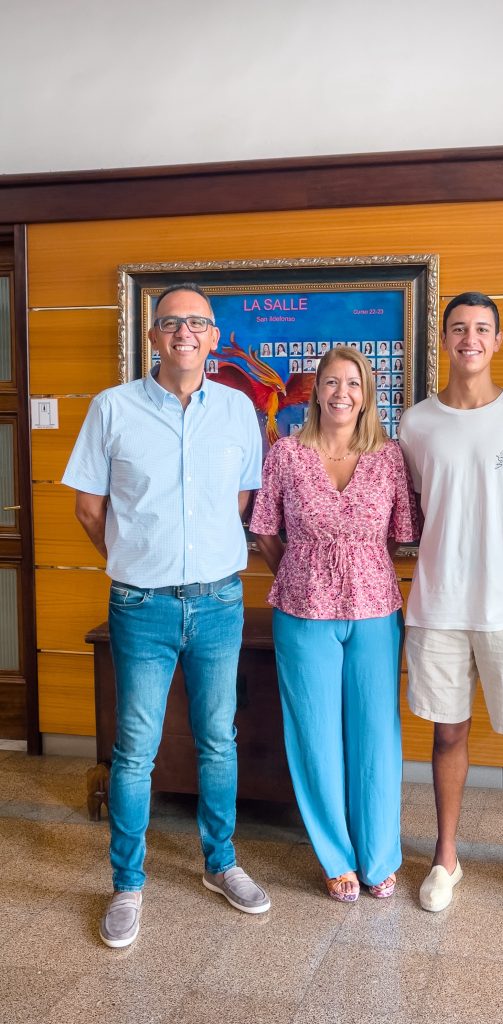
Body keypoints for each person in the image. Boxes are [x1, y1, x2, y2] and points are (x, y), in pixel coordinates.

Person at [63, 283, 270, 949]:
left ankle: (221, 863)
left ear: (214, 337)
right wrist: (134, 558)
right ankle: (127, 883)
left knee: (218, 740)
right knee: (135, 751)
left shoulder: (239, 412)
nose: (185, 331)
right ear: (152, 338)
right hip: (140, 606)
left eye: (198, 323)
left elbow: (241, 500)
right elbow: (89, 508)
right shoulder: (112, 409)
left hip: (218, 602)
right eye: (171, 322)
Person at [398, 291, 503, 918]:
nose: (470, 338)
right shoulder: (416, 423)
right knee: (449, 732)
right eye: (459, 328)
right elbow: (414, 510)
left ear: (498, 341)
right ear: (445, 340)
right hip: (438, 603)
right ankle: (446, 858)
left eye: (482, 329)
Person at [250, 345, 418, 903]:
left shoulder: (388, 457)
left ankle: (378, 856)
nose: (341, 393)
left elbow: (399, 535)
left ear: (367, 394)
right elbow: (267, 531)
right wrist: (306, 573)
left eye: (353, 383)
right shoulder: (286, 456)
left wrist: (354, 569)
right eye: (331, 383)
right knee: (315, 736)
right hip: (302, 612)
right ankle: (334, 856)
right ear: (315, 391)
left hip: (374, 610)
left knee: (376, 736)